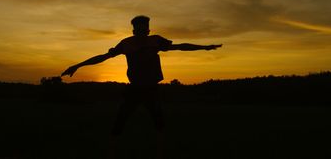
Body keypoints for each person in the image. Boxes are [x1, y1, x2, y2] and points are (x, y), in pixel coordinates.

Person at [61, 15, 222, 158]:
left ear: (148, 30)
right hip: (135, 89)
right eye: (138, 28)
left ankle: (160, 153)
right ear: (133, 30)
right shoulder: (126, 43)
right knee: (121, 119)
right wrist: (78, 65)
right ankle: (111, 152)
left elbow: (180, 46)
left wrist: (204, 47)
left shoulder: (156, 41)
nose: (141, 31)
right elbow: (103, 57)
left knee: (158, 121)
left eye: (144, 28)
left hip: (151, 88)